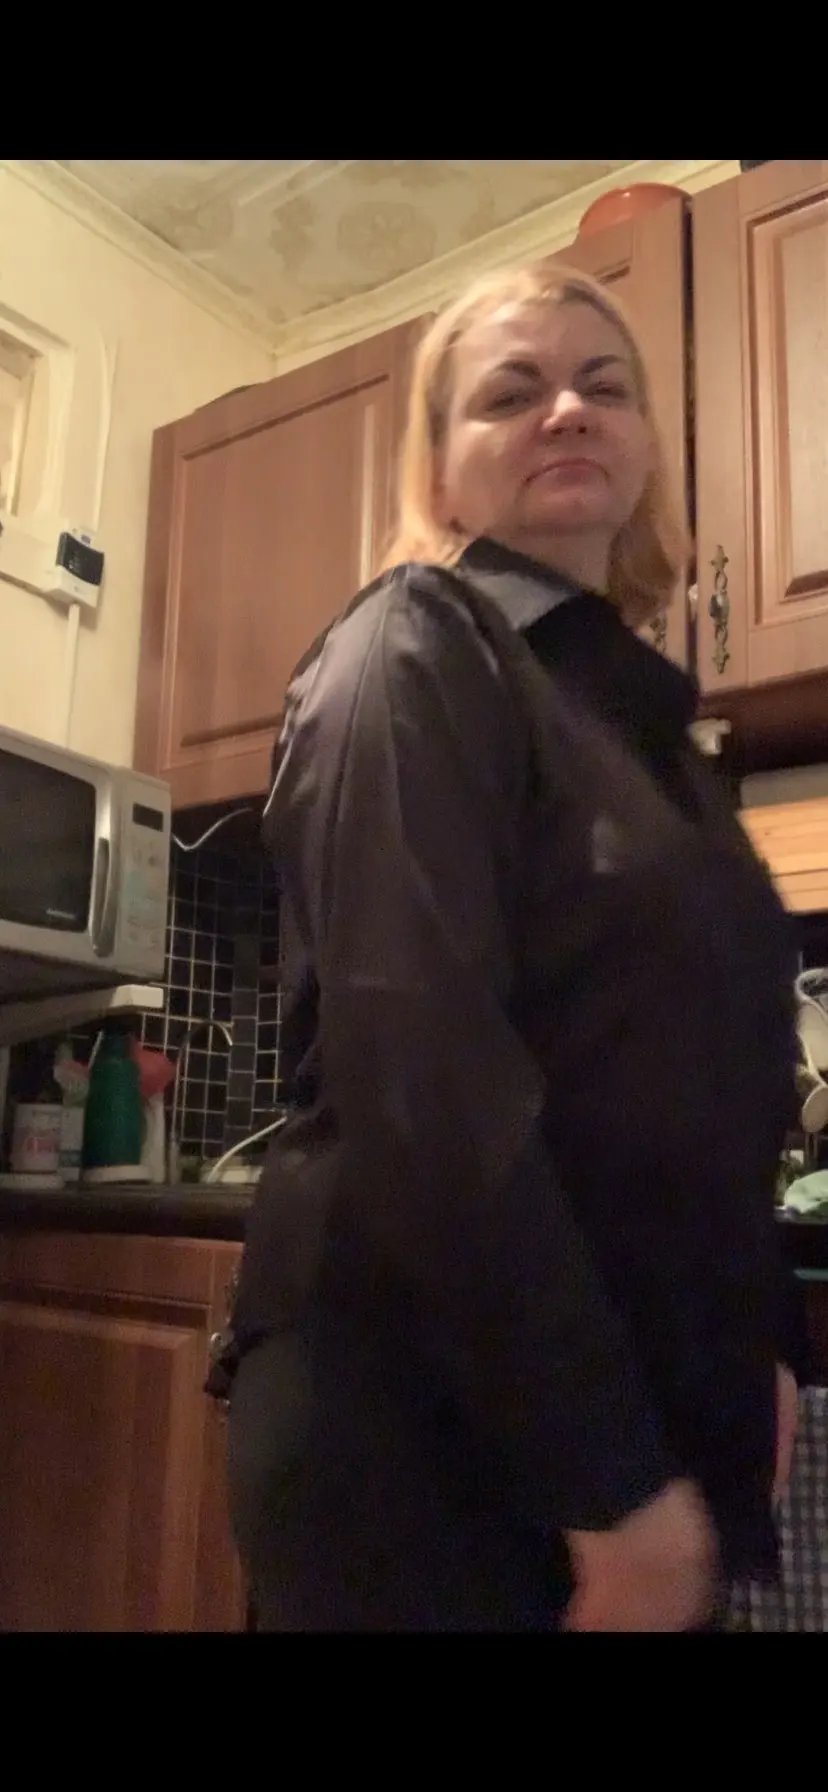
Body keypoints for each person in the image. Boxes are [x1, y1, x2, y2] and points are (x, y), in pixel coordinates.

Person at [225, 258, 804, 1632]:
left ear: (645, 447)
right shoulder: (409, 646)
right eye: (511, 392)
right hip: (427, 1421)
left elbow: (722, 1077)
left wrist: (763, 1347)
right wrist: (605, 1480)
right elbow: (422, 1079)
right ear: (439, 470)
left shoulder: (650, 731)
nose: (567, 410)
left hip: (627, 1414)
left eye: (604, 386)